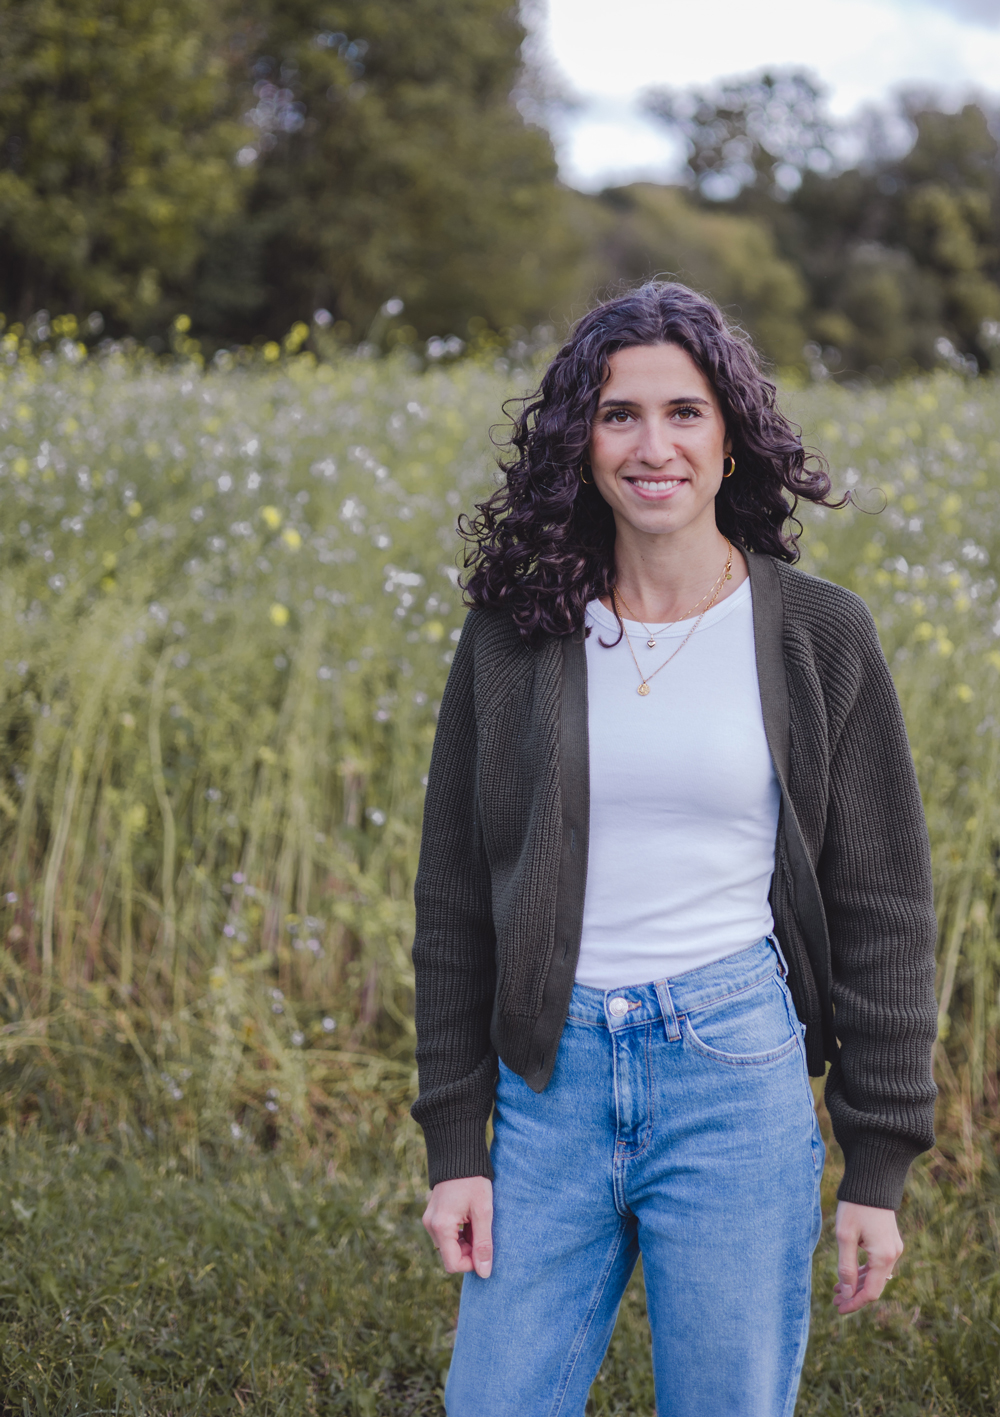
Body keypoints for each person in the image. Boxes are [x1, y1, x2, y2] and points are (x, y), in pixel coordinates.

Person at [411, 282, 937, 1417]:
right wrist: (458, 1140)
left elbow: (883, 901)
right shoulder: (515, 633)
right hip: (549, 1083)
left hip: (735, 1073)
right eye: (618, 415)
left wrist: (876, 1164)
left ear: (731, 436)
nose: (654, 446)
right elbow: (452, 892)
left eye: (685, 412)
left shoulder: (817, 632)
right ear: (579, 443)